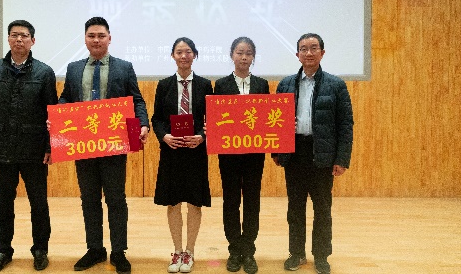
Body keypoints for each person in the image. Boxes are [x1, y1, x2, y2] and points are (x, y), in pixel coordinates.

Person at [58, 17, 149, 274]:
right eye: (91, 36)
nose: (96, 40)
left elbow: (137, 100)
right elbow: (66, 97)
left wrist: (143, 124)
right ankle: (95, 249)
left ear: (110, 38)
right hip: (83, 145)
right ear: (85, 39)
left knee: (116, 198)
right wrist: (58, 113)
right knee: (89, 198)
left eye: (101, 35)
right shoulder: (74, 68)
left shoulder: (124, 67)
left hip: (113, 143)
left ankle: (118, 251)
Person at [0, 20, 58, 274]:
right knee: (3, 204)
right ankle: (2, 251)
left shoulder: (44, 72)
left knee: (39, 203)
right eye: (14, 35)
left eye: (24, 36)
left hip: (34, 149)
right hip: (0, 148)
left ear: (33, 41)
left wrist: (50, 146)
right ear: (8, 39)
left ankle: (40, 249)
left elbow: (52, 114)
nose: (19, 39)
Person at [273, 33, 353, 274]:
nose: (308, 53)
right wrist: (276, 151)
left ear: (322, 53)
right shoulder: (286, 84)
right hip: (295, 153)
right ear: (297, 54)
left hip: (322, 154)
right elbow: (274, 121)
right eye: (303, 49)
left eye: (314, 48)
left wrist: (341, 158)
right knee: (295, 209)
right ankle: (296, 253)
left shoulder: (336, 85)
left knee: (322, 209)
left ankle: (321, 256)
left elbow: (345, 124)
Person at [151, 37, 213, 274]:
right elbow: (157, 118)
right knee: (173, 201)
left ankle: (190, 251)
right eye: (179, 52)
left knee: (195, 202)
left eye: (188, 52)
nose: (184, 56)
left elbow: (212, 119)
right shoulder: (164, 85)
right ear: (172, 56)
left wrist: (202, 137)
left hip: (196, 151)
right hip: (172, 150)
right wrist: (164, 136)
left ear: (194, 55)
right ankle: (177, 250)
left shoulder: (205, 85)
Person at [214, 37, 269, 274]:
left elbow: (267, 118)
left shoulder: (262, 84)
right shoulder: (221, 85)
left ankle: (249, 249)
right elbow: (217, 117)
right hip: (229, 154)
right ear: (232, 55)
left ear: (253, 57)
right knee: (231, 200)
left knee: (252, 200)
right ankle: (234, 249)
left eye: (248, 53)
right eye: (239, 52)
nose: (244, 57)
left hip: (255, 153)